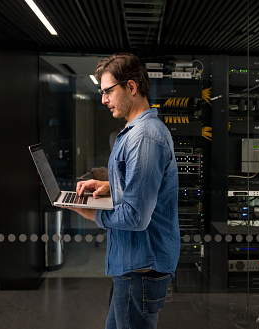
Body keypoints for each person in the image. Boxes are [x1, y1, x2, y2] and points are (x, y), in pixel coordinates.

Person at [65, 53, 180, 329]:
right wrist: (108, 186)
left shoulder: (144, 138)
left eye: (108, 91)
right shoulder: (136, 131)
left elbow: (136, 217)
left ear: (131, 87)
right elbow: (141, 188)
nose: (104, 100)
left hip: (140, 266)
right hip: (133, 265)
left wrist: (90, 213)